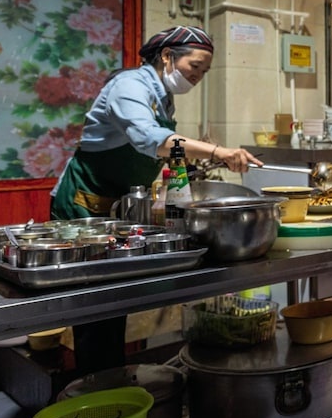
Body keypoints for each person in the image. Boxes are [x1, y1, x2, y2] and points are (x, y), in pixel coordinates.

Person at [49, 24, 263, 373]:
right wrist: (219, 151)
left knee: (113, 306)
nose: (198, 77)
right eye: (195, 66)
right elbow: (153, 140)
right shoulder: (128, 85)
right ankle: (92, 388)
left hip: (116, 211)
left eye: (205, 71)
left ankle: (109, 381)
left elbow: (166, 153)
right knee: (94, 310)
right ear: (167, 56)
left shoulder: (161, 95)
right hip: (82, 207)